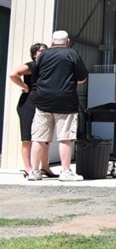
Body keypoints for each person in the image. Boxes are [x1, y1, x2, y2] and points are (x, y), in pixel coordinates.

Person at [28, 31, 88, 181]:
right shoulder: (71, 54)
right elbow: (82, 77)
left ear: (52, 41)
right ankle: (65, 172)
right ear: (67, 40)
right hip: (65, 101)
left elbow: (35, 77)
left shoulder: (43, 55)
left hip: (43, 101)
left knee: (38, 138)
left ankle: (34, 172)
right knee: (65, 138)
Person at [9, 43, 57, 178]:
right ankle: (28, 168)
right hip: (29, 103)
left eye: (46, 51)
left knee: (44, 137)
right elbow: (13, 74)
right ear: (34, 53)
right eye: (41, 51)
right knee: (27, 138)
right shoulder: (33, 65)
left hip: (44, 102)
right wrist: (25, 86)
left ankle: (45, 167)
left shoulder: (48, 66)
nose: (44, 53)